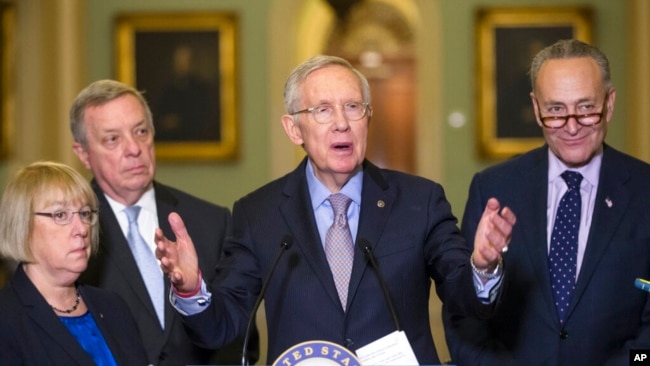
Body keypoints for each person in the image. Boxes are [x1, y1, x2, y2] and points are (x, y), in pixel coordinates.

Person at [155, 55, 516, 364]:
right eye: (323, 110)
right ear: (294, 129)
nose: (342, 122)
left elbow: (462, 293)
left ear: (368, 118)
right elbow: (223, 326)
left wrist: (482, 268)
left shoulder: (420, 201)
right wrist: (191, 290)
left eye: (353, 107)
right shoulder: (258, 214)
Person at [444, 39, 650, 366]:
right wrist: (482, 273)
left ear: (609, 103)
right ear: (536, 108)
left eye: (585, 108)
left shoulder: (644, 191)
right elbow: (463, 318)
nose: (571, 126)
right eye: (555, 110)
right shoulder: (494, 188)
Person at [70, 79, 256, 365]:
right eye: (113, 139)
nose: (134, 148)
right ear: (83, 154)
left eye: (141, 131)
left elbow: (243, 340)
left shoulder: (211, 222)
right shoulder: (73, 231)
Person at [0, 161, 148, 365]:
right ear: (22, 225)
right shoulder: (7, 319)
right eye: (60, 215)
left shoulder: (114, 307)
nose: (82, 228)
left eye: (85, 213)